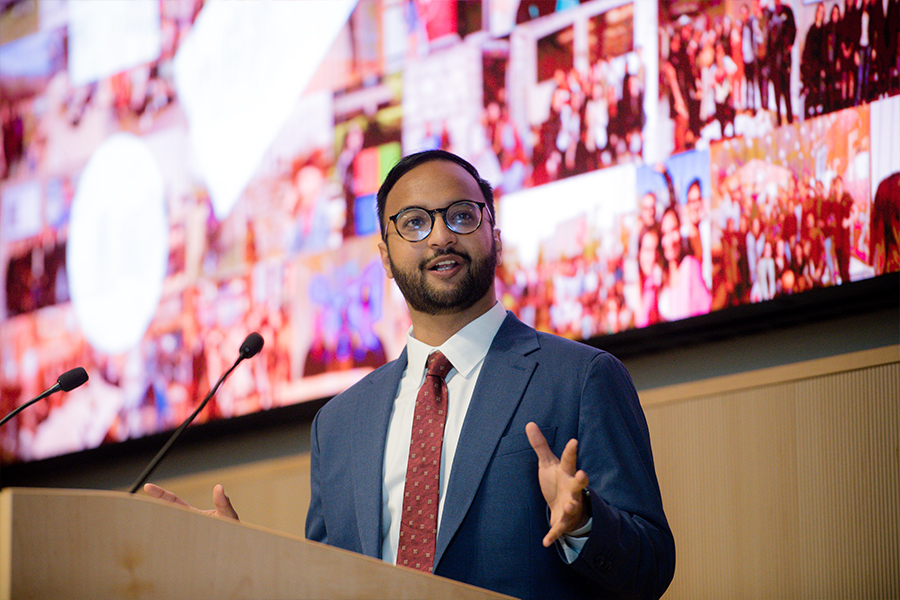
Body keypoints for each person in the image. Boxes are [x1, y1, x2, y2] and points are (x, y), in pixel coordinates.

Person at [145, 150, 676, 600]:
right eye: (415, 223)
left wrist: (584, 525)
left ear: (494, 230)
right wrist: (243, 567)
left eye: (462, 215)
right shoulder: (339, 423)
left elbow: (651, 568)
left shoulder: (581, 378)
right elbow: (329, 584)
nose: (441, 236)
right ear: (385, 254)